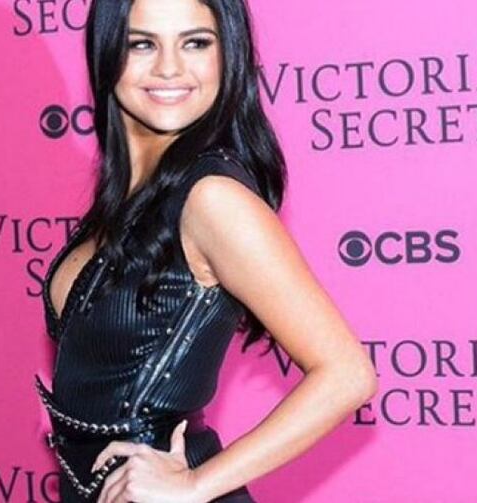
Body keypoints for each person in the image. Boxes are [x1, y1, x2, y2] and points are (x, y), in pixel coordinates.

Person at [32, 0, 378, 501]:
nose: (169, 68)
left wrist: (196, 485)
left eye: (195, 43)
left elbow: (348, 374)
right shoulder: (127, 199)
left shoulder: (211, 197)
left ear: (227, 54)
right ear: (106, 52)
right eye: (142, 44)